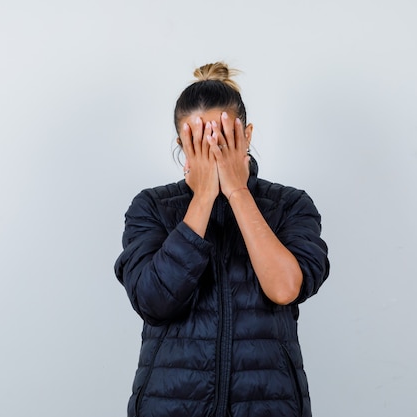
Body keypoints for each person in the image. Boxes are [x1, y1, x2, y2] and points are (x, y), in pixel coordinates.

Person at [114, 62, 330, 417]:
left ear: (247, 135)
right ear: (182, 144)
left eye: (224, 138)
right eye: (198, 141)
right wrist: (201, 199)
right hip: (169, 405)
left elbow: (285, 288)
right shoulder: (151, 206)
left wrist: (237, 191)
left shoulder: (290, 205)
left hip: (268, 405)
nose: (212, 150)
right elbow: (153, 301)